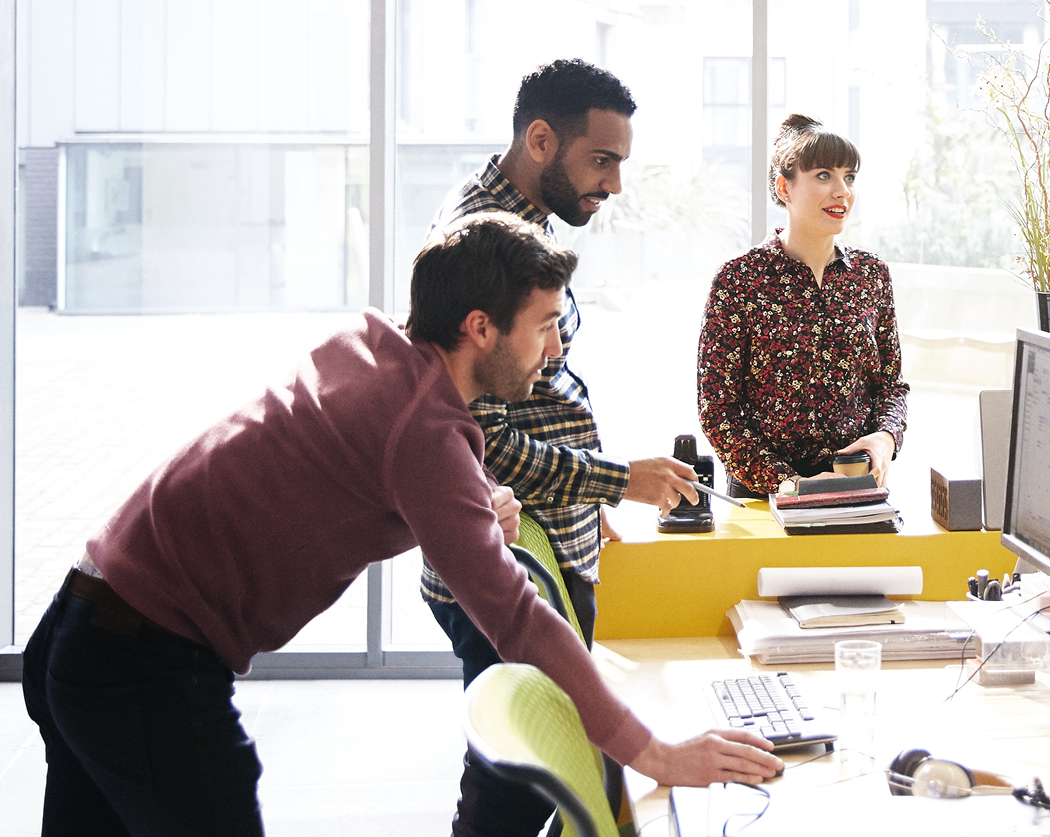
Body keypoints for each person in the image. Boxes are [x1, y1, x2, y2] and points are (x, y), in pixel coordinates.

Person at [21, 212, 783, 837]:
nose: (554, 350)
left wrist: (471, 495)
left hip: (83, 619)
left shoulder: (377, 341)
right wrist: (655, 753)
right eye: (545, 325)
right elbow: (517, 618)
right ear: (480, 327)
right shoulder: (424, 434)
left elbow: (360, 457)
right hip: (143, 659)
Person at [425, 60, 702, 836]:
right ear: (542, 140)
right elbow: (486, 439)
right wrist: (615, 480)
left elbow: (542, 395)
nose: (613, 184)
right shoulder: (481, 239)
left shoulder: (519, 221)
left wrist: (589, 503)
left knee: (537, 779)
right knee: (513, 790)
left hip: (550, 533)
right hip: (512, 548)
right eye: (601, 160)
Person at [698, 113, 910, 497]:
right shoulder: (738, 279)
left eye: (849, 177)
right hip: (765, 494)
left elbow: (891, 387)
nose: (842, 191)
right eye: (824, 175)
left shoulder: (872, 274)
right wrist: (792, 485)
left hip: (855, 486)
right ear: (784, 188)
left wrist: (885, 437)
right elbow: (718, 409)